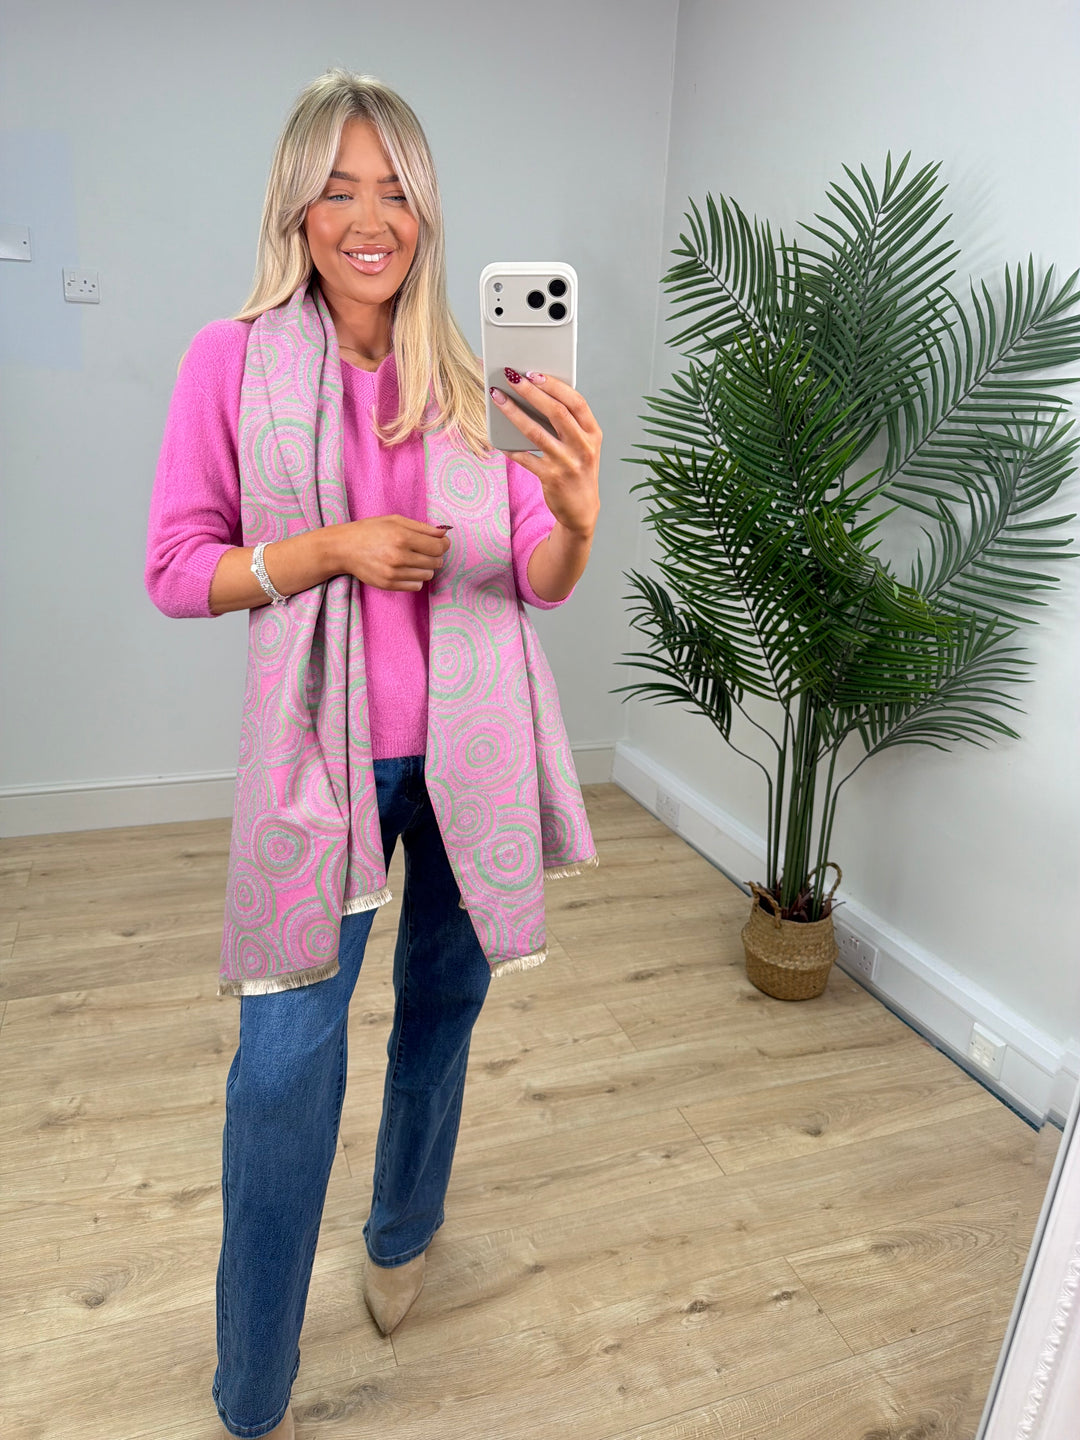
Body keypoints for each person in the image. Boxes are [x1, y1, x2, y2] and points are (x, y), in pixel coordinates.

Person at [145, 69, 602, 1440]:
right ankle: (254, 1388)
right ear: (296, 205)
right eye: (338, 188)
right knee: (285, 1068)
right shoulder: (230, 360)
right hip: (319, 760)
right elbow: (176, 568)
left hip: (475, 750)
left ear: (428, 213)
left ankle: (402, 1227)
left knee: (443, 1006)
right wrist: (328, 551)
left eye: (395, 190)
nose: (368, 218)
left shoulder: (474, 378)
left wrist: (578, 513)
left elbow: (535, 573)